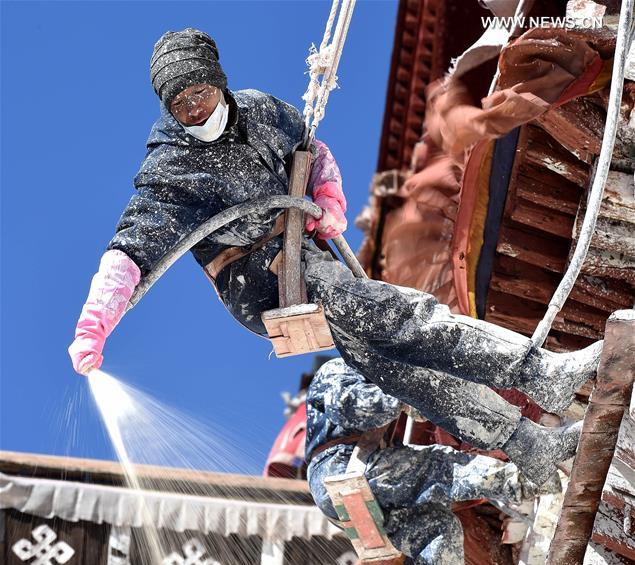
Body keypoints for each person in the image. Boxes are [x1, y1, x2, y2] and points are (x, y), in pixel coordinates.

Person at [68, 27, 601, 447]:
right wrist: (95, 325)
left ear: (220, 82)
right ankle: (539, 372)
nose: (194, 111)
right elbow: (132, 249)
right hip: (259, 280)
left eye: (201, 94)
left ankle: (523, 440)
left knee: (387, 360)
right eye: (180, 105)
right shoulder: (172, 167)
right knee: (391, 313)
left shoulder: (261, 111)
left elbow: (313, 153)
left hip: (303, 243)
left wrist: (328, 201)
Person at [305, 358, 563, 565]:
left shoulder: (377, 373)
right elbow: (357, 406)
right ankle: (529, 481)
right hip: (338, 469)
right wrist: (404, 392)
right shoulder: (337, 369)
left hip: (362, 490)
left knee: (439, 528)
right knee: (439, 466)